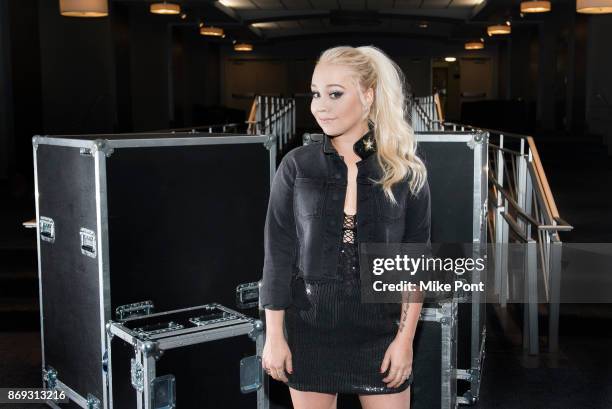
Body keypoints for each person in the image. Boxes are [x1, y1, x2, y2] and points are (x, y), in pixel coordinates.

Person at [259, 45, 431, 409]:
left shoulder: (405, 172)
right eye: (316, 94)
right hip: (310, 334)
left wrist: (405, 342)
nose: (320, 105)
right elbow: (278, 256)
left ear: (368, 96)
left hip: (382, 335)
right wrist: (274, 336)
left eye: (335, 94)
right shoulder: (296, 167)